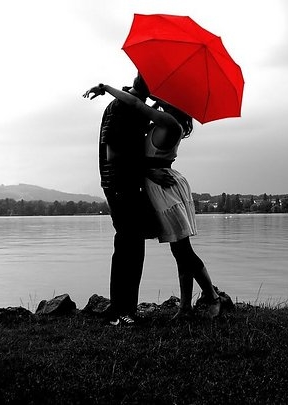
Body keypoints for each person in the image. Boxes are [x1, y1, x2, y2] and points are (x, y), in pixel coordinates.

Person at [84, 82, 223, 320]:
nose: (162, 96)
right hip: (156, 187)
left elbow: (137, 104)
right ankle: (185, 307)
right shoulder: (161, 121)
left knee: (182, 250)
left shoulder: (170, 123)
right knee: (179, 249)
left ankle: (211, 296)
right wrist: (139, 91)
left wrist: (106, 87)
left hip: (165, 189)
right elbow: (138, 116)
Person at [85, 74, 174, 326]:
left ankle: (126, 309)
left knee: (132, 247)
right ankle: (120, 312)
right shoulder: (121, 107)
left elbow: (134, 140)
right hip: (119, 185)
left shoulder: (133, 107)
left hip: (128, 183)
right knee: (127, 247)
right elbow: (114, 154)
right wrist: (149, 171)